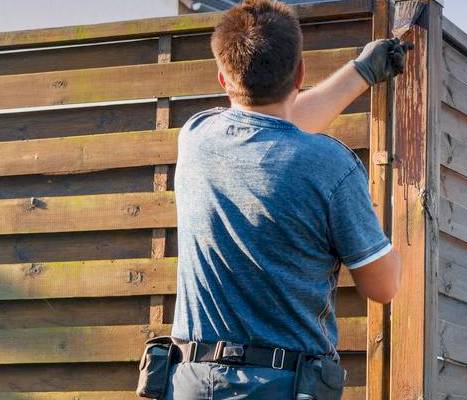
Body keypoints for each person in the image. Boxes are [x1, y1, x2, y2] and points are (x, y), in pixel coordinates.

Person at [165, 0, 407, 398]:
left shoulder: (196, 137)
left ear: (223, 80)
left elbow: (270, 128)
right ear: (300, 73)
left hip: (193, 382)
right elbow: (383, 286)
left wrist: (361, 73)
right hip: (285, 386)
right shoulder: (330, 166)